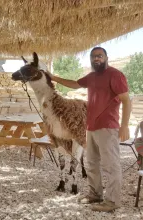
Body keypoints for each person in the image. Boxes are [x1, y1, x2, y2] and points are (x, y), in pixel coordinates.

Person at [47, 47, 131, 212]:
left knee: (110, 165)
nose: (96, 59)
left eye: (100, 56)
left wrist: (125, 125)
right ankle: (95, 194)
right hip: (91, 127)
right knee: (92, 163)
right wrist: (53, 77)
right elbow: (74, 84)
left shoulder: (115, 75)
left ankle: (113, 201)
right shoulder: (92, 77)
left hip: (108, 126)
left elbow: (126, 100)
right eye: (93, 57)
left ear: (106, 57)